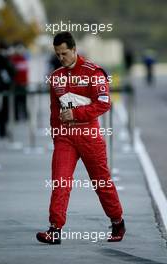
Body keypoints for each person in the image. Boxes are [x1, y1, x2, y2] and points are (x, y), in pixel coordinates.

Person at [36, 32, 126, 244]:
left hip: (89, 135)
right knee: (60, 182)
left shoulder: (93, 72)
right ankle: (55, 229)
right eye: (57, 54)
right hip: (65, 138)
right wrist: (56, 134)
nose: (61, 58)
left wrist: (76, 114)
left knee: (101, 182)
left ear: (75, 50)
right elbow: (53, 110)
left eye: (64, 53)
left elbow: (104, 103)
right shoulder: (56, 76)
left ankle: (117, 222)